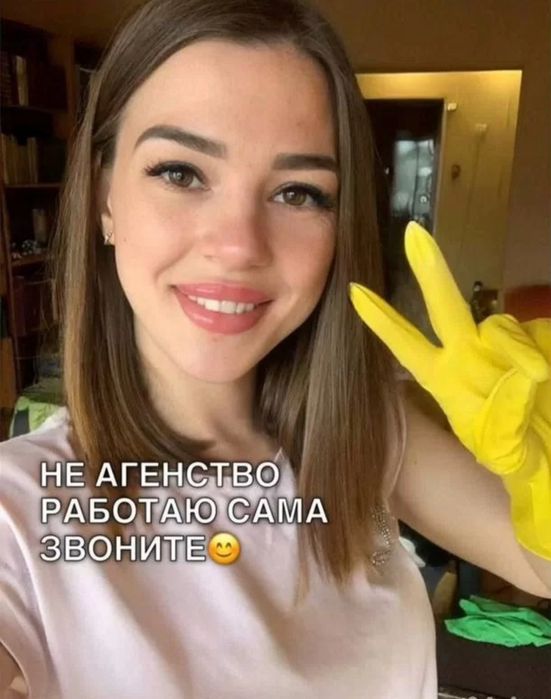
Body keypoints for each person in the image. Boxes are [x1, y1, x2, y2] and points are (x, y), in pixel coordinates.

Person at [1, 1, 550, 697]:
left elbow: (537, 566)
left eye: (297, 192)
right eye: (181, 172)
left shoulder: (362, 433)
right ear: (105, 197)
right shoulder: (18, 513)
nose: (238, 246)